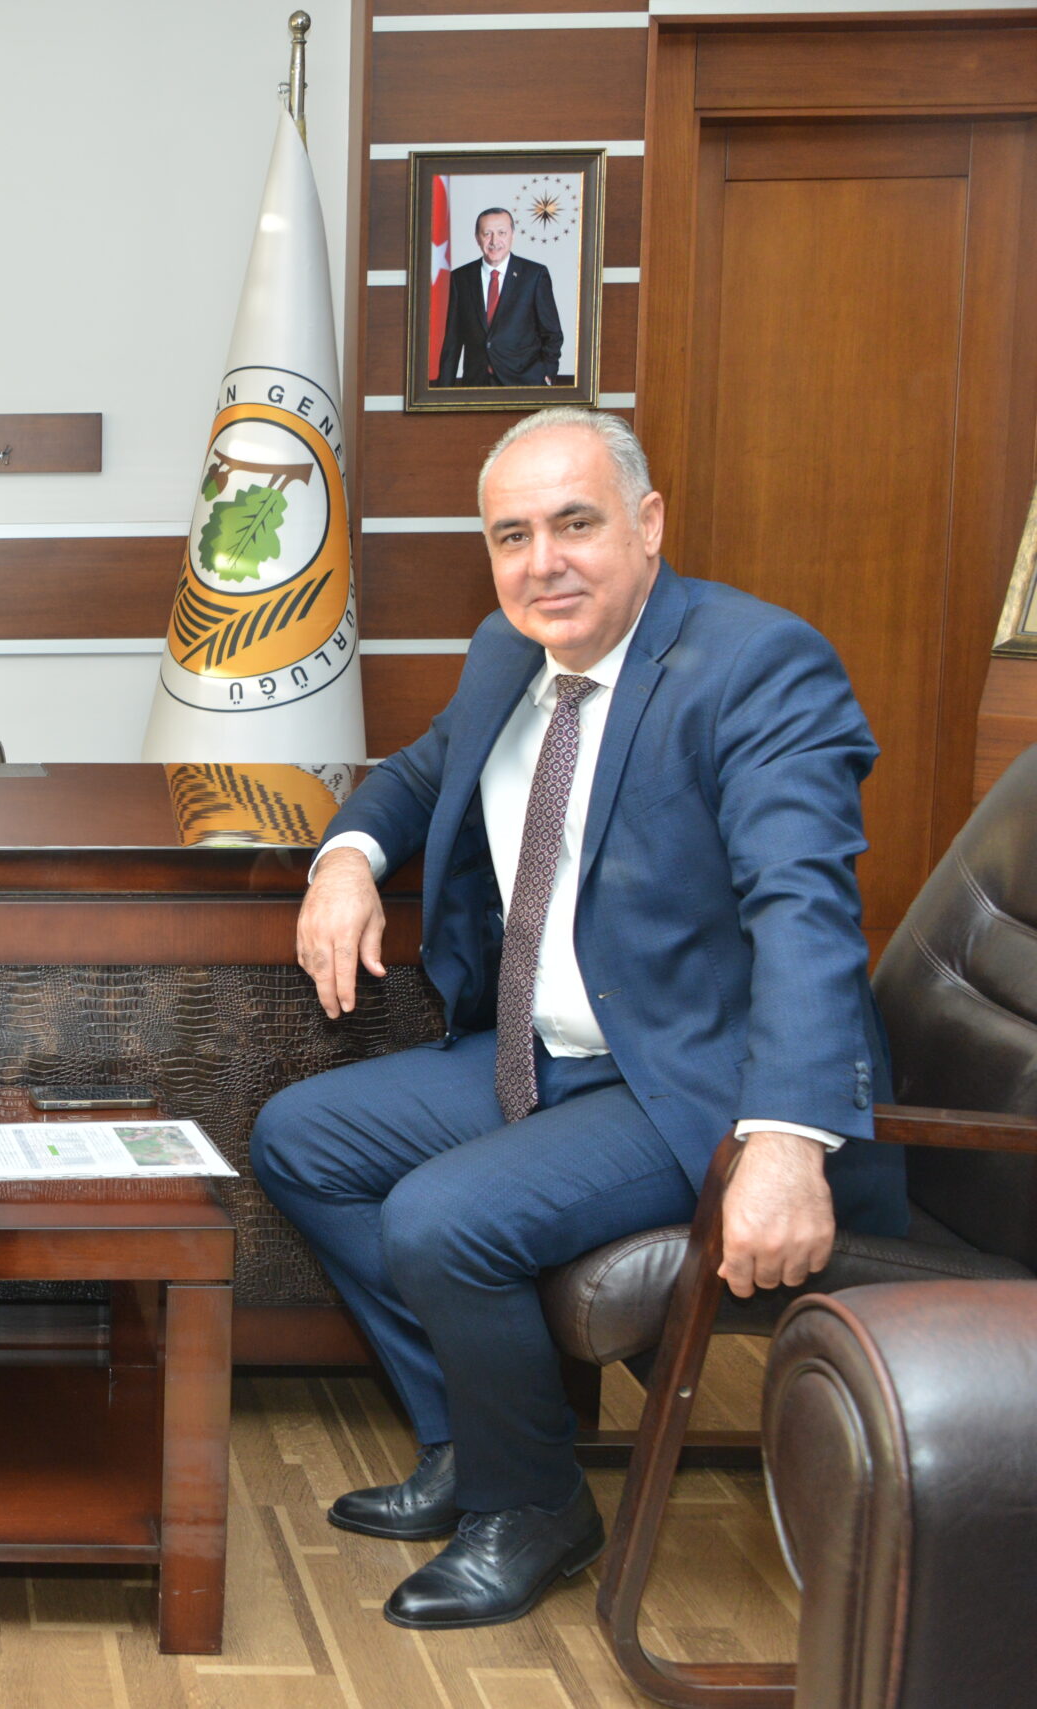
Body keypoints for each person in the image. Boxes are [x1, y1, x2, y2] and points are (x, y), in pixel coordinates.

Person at [249, 407, 905, 1630]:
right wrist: (345, 858)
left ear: (646, 525)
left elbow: (804, 909)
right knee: (303, 1137)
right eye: (512, 536)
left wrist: (785, 1137)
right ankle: (471, 1440)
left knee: (441, 1216)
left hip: (692, 1081)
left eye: (574, 524)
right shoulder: (509, 652)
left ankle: (532, 1506)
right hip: (546, 1056)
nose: (542, 561)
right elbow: (418, 771)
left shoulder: (756, 664)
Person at [435, 207, 563, 387]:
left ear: (512, 235)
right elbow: (453, 340)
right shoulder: (460, 278)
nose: (494, 241)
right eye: (487, 233)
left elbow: (552, 333)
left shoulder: (534, 275)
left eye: (502, 233)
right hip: (477, 383)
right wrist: (443, 390)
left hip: (524, 383)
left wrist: (547, 374)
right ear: (477, 238)